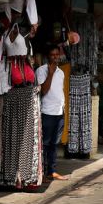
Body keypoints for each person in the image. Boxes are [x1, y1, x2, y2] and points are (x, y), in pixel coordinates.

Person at [37, 47, 69, 181]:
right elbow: (43, 91)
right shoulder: (41, 70)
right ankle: (42, 173)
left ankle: (52, 171)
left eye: (57, 55)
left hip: (59, 112)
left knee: (54, 144)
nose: (55, 57)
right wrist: (50, 74)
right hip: (47, 112)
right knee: (45, 143)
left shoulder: (61, 72)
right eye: (52, 54)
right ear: (48, 56)